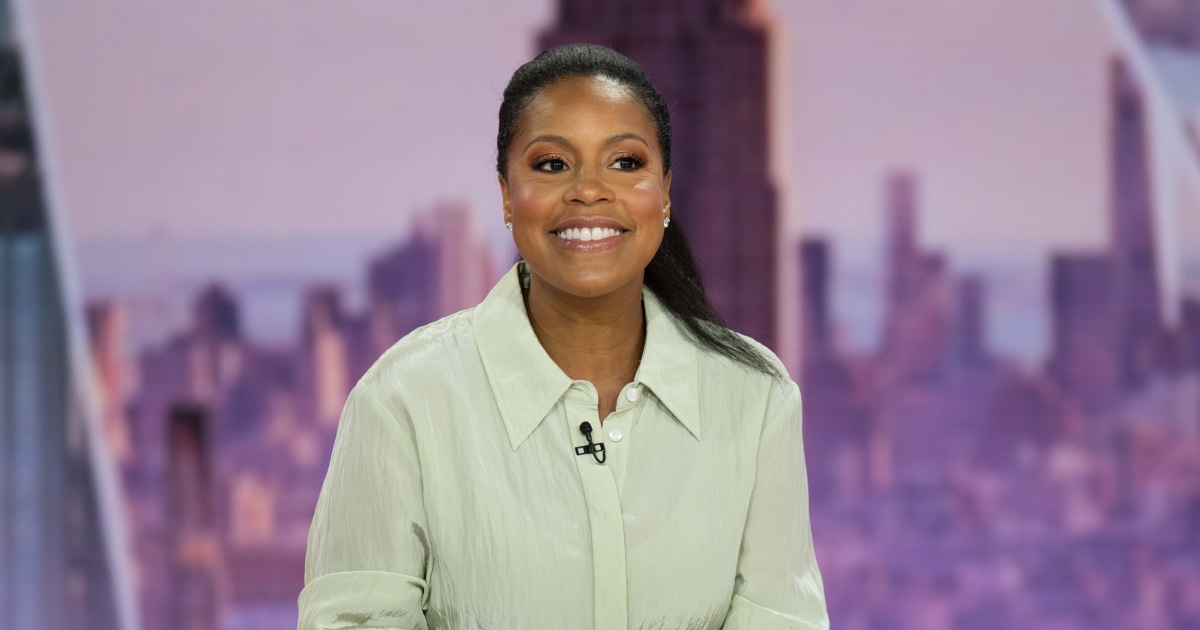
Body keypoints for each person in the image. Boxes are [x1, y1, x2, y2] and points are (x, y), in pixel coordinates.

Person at [298, 43, 828, 630]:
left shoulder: (755, 396)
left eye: (625, 162)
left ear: (664, 192)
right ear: (507, 194)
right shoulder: (403, 400)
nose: (589, 190)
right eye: (552, 164)